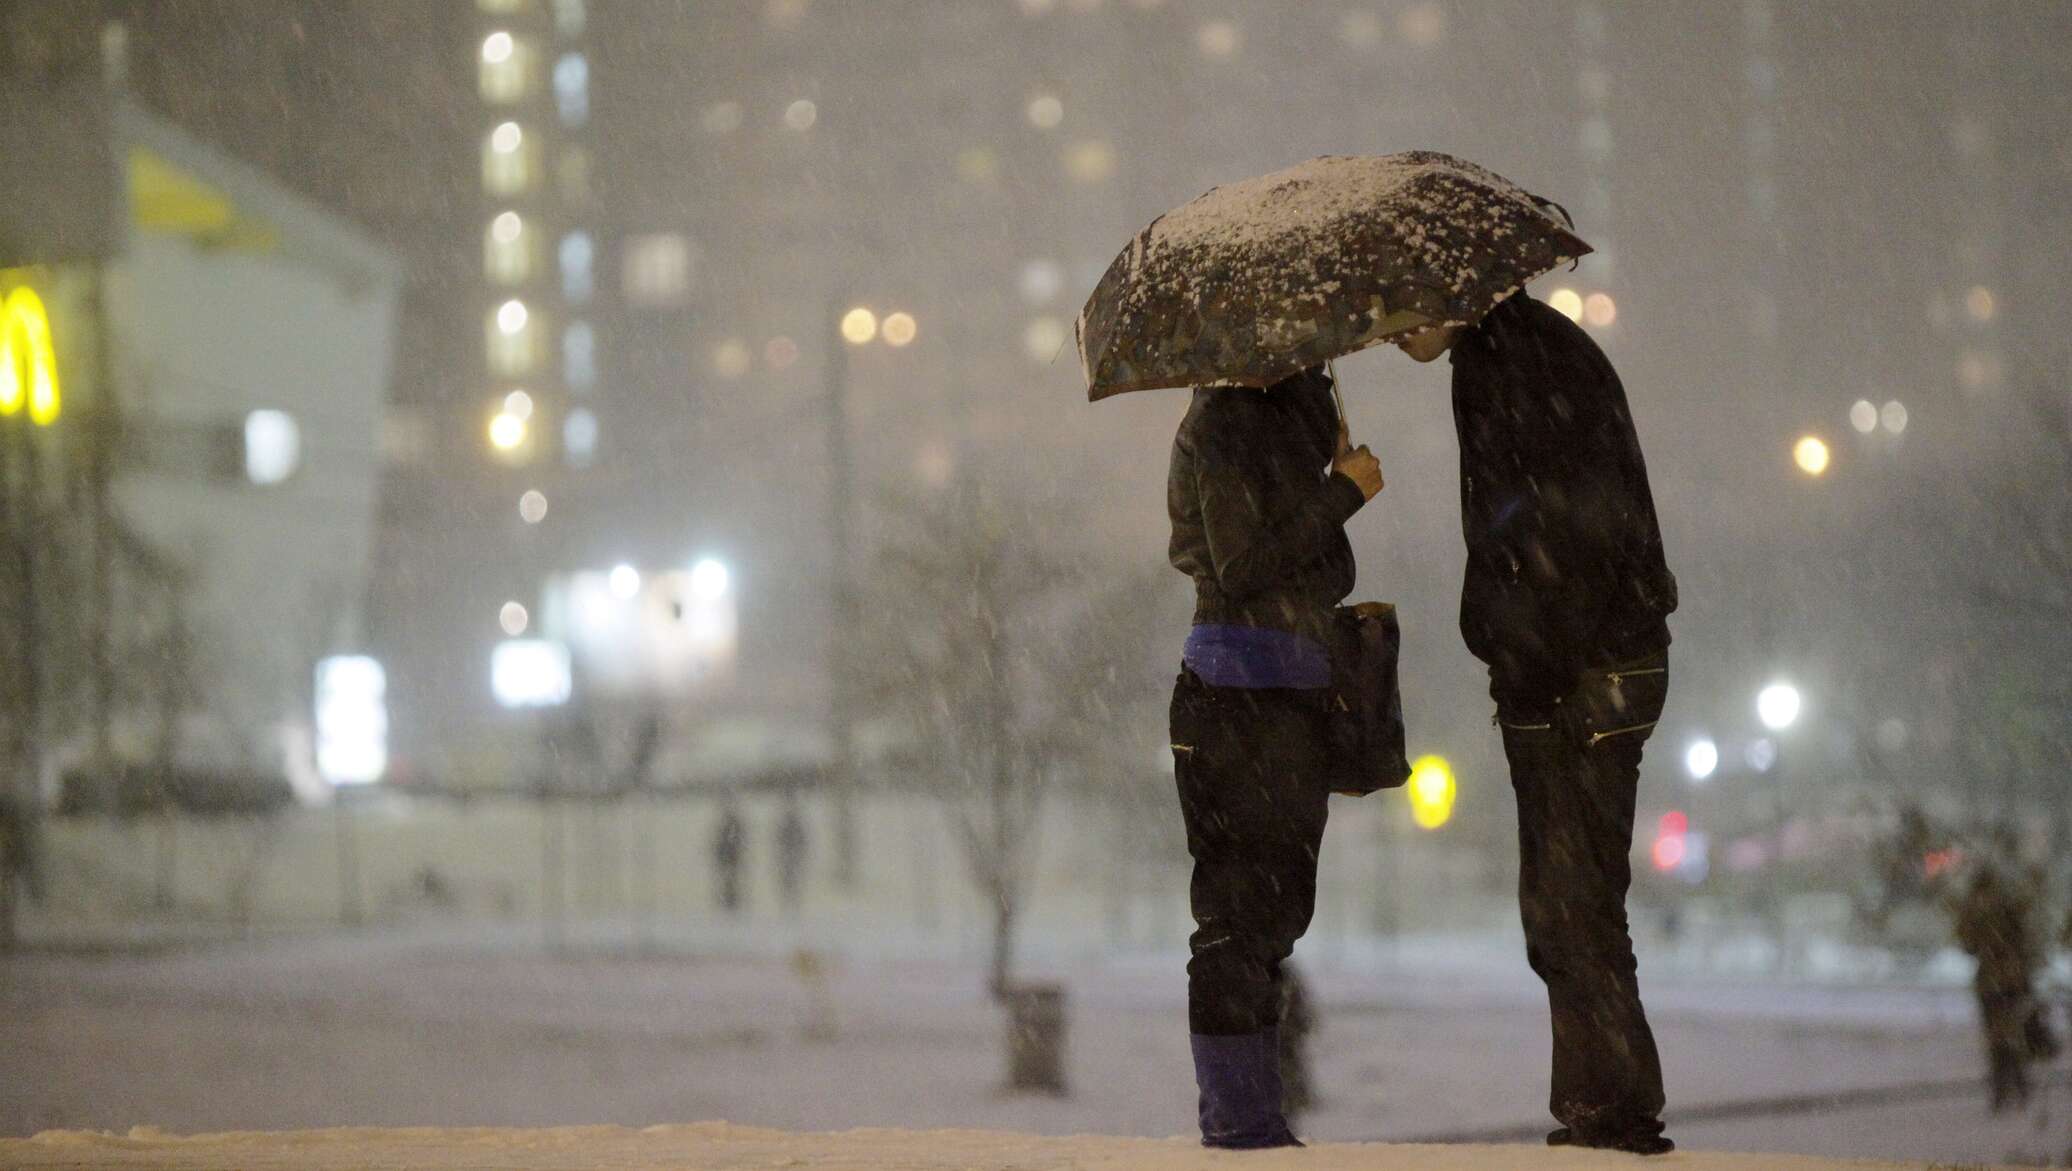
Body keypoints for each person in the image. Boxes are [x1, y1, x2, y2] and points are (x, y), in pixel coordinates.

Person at [1395, 290, 1679, 1155]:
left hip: (1584, 669)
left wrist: (1529, 663)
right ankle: (1600, 1105)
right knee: (1567, 905)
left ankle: (1614, 1111)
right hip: (1593, 660)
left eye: (1402, 313)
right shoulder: (1521, 351)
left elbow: (1545, 529)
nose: (1393, 334)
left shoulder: (1509, 364)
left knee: (1574, 904)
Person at [1166, 363, 1384, 1149]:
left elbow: (1297, 561)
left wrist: (1325, 466)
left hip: (1285, 693)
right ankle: (1240, 1121)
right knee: (1236, 920)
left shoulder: (1281, 412)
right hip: (1237, 695)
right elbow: (1242, 563)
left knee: (1275, 915)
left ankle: (1253, 1117)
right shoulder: (1228, 418)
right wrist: (1342, 493)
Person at [1953, 851, 2049, 1112]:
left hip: (1989, 980)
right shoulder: (2009, 901)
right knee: (2014, 1032)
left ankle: (2001, 1091)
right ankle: (2018, 1087)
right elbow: (2027, 936)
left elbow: (1967, 945)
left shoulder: (1973, 905)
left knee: (1995, 1036)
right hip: (2014, 978)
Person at [713, 799, 747, 915]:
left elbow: (739, 842)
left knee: (731, 878)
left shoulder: (732, 826)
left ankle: (731, 900)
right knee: (729, 878)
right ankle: (729, 899)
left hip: (731, 856)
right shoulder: (731, 826)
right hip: (729, 856)